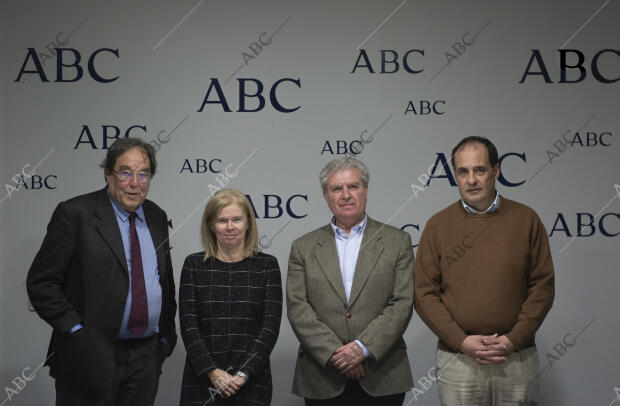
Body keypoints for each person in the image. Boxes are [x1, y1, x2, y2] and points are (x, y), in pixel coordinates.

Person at [26, 137, 177, 406]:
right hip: (89, 355)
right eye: (126, 173)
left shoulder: (156, 216)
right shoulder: (75, 214)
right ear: (108, 174)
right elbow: (42, 284)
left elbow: (164, 280)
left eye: (143, 174)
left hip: (146, 357)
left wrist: (164, 338)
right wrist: (76, 331)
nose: (135, 183)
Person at [414, 136, 555, 405]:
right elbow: (424, 293)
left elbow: (542, 286)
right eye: (463, 171)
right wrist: (461, 341)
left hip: (516, 359)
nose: (471, 180)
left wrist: (514, 339)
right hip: (458, 360)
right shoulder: (437, 225)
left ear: (496, 171)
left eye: (479, 170)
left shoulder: (526, 220)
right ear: (455, 175)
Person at [287, 157, 414, 406]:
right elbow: (297, 307)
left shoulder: (397, 241)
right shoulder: (303, 247)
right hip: (323, 376)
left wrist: (361, 348)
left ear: (365, 190)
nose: (345, 195)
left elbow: (402, 303)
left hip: (382, 375)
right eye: (336, 188)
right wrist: (336, 353)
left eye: (353, 187)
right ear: (325, 195)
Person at [179, 189, 282, 406]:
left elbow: (269, 327)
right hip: (202, 379)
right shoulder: (194, 265)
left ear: (248, 223)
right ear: (210, 225)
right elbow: (189, 325)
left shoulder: (267, 266)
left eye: (236, 219)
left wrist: (243, 373)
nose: (230, 227)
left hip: (252, 380)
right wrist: (213, 372)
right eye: (222, 220)